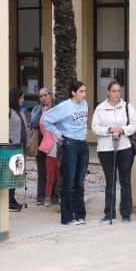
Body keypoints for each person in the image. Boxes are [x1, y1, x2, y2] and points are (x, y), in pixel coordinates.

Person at [41, 81, 91, 227]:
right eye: (81, 91)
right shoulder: (65, 106)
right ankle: (67, 217)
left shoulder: (85, 104)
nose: (84, 94)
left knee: (79, 182)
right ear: (73, 92)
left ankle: (80, 214)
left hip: (83, 144)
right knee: (68, 182)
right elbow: (47, 120)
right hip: (70, 145)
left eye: (85, 91)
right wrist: (58, 133)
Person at [90, 81, 136, 225]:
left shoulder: (127, 107)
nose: (117, 94)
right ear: (108, 92)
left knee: (125, 182)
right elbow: (95, 127)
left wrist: (123, 130)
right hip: (106, 149)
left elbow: (135, 124)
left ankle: (126, 213)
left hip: (124, 148)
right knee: (110, 181)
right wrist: (109, 130)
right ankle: (109, 213)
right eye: (114, 91)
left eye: (119, 91)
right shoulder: (100, 108)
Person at [28, 88, 56, 206]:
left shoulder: (57, 109)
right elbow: (33, 124)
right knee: (42, 170)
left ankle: (54, 196)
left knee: (55, 170)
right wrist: (41, 113)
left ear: (50, 96)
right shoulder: (37, 109)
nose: (43, 98)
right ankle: (41, 195)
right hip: (41, 142)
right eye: (41, 96)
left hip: (54, 143)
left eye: (45, 95)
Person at [6, 89, 31, 212]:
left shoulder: (20, 112)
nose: (23, 100)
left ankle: (12, 197)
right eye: (21, 98)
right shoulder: (8, 112)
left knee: (17, 174)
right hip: (12, 147)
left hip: (21, 147)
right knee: (12, 173)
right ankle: (9, 199)